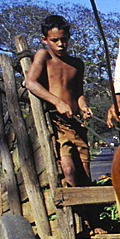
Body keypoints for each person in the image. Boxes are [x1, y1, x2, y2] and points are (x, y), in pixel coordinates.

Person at [24, 15, 94, 188]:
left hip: (76, 122)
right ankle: (73, 213)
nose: (60, 44)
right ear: (44, 39)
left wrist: (83, 106)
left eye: (64, 39)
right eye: (55, 40)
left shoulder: (77, 64)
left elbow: (78, 93)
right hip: (57, 122)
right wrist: (57, 102)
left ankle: (88, 213)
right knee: (68, 169)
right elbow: (30, 82)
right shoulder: (43, 56)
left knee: (85, 170)